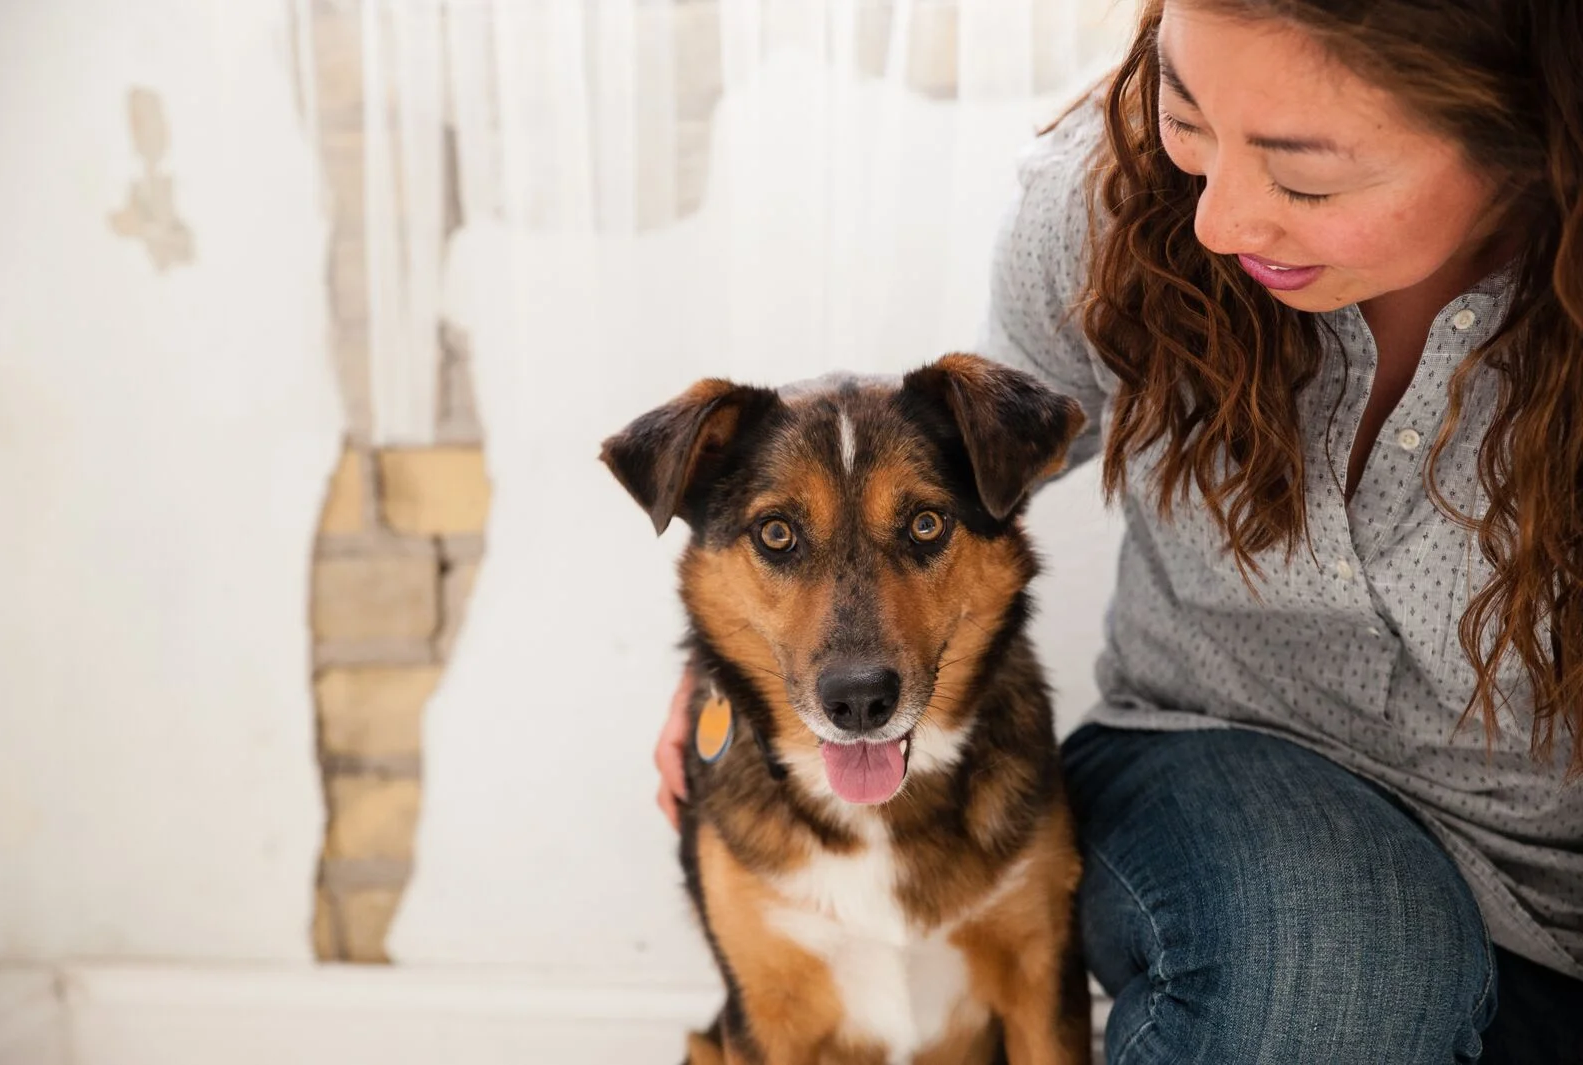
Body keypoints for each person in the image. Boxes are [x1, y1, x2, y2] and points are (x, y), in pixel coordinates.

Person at [652, 1, 1583, 1060]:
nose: (1217, 220)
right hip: (1225, 777)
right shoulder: (1108, 198)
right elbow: (965, 473)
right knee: (1316, 979)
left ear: (1531, 135)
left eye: (1304, 176)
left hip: (1552, 897)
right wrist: (743, 666)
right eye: (1187, 118)